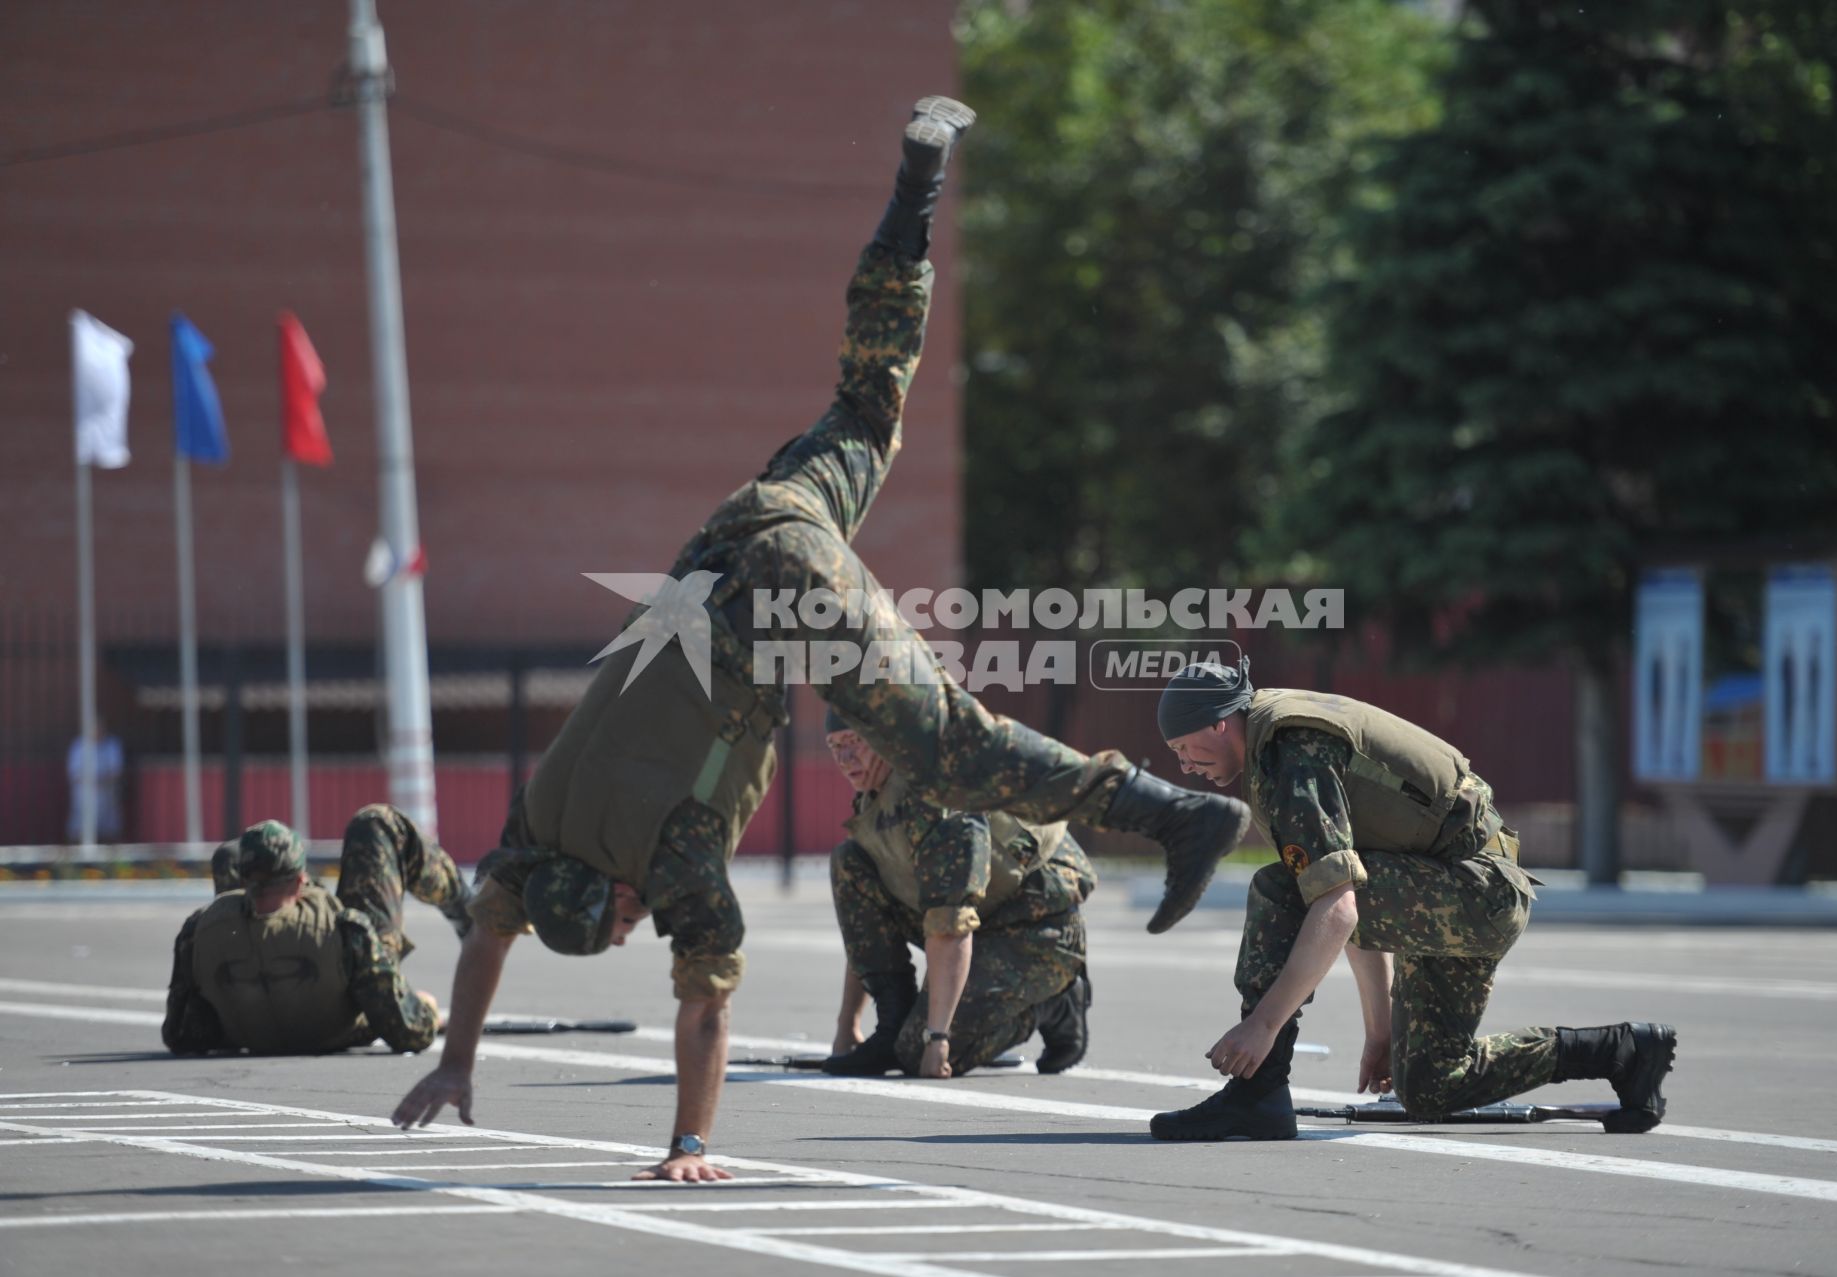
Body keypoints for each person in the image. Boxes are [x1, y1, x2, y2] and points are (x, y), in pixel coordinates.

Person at [389, 97, 1250, 1182]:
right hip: (747, 520)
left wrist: (688, 1143)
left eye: (621, 927)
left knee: (947, 743)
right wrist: (457, 1058)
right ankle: (917, 186)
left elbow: (705, 1008)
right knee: (866, 399)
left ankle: (1168, 813)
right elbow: (482, 934)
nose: (635, 929)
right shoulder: (533, 825)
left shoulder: (669, 859)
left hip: (783, 593)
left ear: (610, 892)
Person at [1146, 659, 1678, 1140]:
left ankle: (1256, 1094)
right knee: (1430, 1087)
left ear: (1218, 723)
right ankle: (1622, 1051)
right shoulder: (1273, 738)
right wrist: (1380, 1034)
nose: (1184, 767)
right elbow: (1351, 892)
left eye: (1183, 749)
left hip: (1473, 889)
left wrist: (1261, 1026)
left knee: (1279, 890)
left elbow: (1337, 904)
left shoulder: (1290, 751)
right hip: (1456, 887)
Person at [818, 709, 1094, 1079]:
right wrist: (846, 1027)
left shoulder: (934, 797)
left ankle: (1058, 1002)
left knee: (914, 1053)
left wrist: (936, 1040)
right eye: (835, 747)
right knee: (849, 862)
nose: (845, 758)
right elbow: (865, 925)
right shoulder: (877, 793)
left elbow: (953, 923)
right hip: (982, 917)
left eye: (855, 743)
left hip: (1038, 927)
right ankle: (893, 1024)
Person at [163, 808, 472, 1055]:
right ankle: (470, 914)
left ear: (242, 880)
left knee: (230, 852)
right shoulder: (347, 930)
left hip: (250, 1026)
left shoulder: (200, 929)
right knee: (376, 824)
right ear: (301, 882)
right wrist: (427, 1011)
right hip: (339, 1025)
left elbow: (180, 1034)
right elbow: (407, 1033)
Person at [66, 718, 123, 842]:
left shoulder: (111, 745)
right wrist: (90, 782)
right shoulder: (79, 746)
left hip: (107, 794)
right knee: (80, 827)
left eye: (100, 728)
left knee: (108, 828)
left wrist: (101, 782)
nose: (97, 732)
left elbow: (116, 771)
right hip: (84, 795)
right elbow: (74, 774)